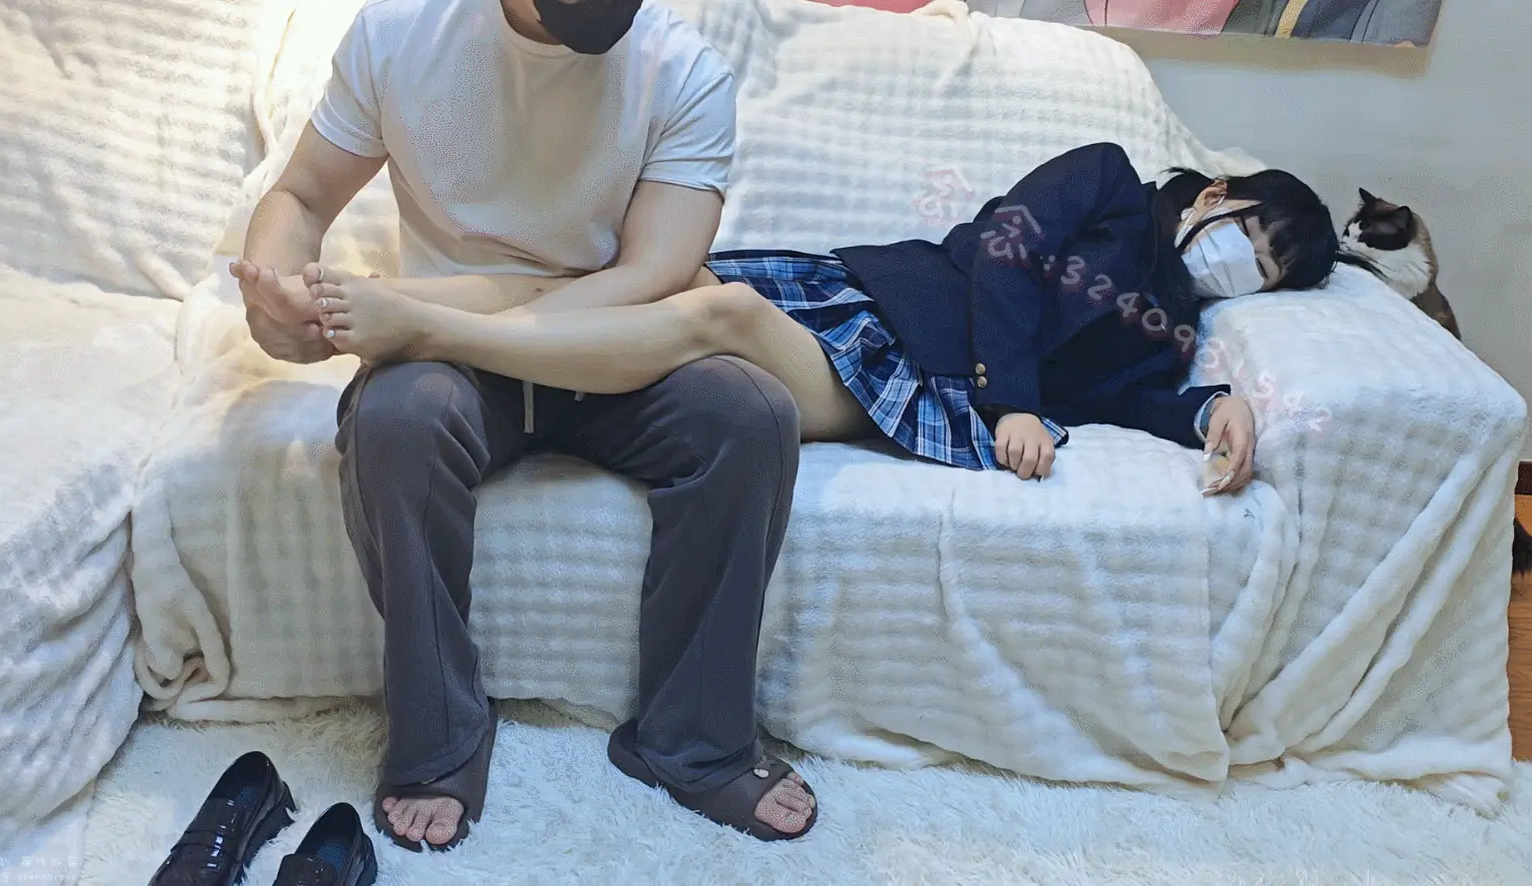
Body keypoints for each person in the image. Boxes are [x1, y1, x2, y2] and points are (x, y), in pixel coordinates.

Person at [230, 0, 820, 851]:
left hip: (608, 349)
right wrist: (279, 290)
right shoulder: (401, 31)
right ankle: (441, 738)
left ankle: (693, 741)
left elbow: (655, 273)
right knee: (399, 418)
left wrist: (437, 322)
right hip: (453, 367)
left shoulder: (683, 68)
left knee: (751, 413)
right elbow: (302, 193)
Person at [304, 142, 1340, 494]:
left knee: (722, 314)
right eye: (1249, 237)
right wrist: (1017, 399)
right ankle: (372, 300)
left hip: (915, 380)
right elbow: (1003, 249)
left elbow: (1129, 400)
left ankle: (434, 334)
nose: (1240, 269)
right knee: (637, 279)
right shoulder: (1109, 181)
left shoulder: (1170, 326)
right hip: (869, 291)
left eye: (1264, 274)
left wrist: (1208, 409)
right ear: (1217, 195)